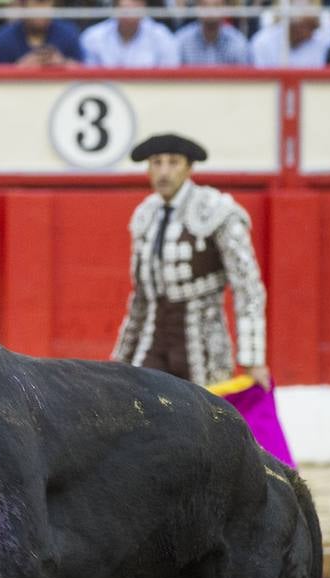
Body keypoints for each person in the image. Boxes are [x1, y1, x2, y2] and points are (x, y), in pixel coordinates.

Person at [112, 133, 269, 391]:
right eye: (156, 162)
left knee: (205, 423)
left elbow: (248, 287)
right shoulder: (145, 214)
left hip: (203, 345)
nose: (164, 171)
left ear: (188, 167)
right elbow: (141, 297)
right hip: (152, 341)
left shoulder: (216, 210)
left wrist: (253, 360)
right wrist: (121, 360)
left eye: (173, 162)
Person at [80, 0, 178, 68]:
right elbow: (88, 80)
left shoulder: (162, 36)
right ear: (115, 7)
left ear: (144, 5)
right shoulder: (92, 37)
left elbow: (171, 78)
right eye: (125, 6)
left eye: (135, 3)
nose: (130, 10)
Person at [0, 0, 82, 66]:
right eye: (37, 3)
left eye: (46, 3)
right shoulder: (5, 38)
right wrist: (19, 68)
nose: (41, 10)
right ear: (23, 7)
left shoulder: (68, 33)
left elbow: (83, 72)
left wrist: (63, 63)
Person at [249, 1, 330, 68]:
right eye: (310, 27)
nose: (313, 33)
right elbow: (262, 81)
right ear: (295, 26)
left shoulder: (319, 42)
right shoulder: (263, 42)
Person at [174, 0, 251, 67]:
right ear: (197, 8)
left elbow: (244, 81)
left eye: (216, 6)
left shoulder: (238, 43)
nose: (210, 11)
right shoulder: (181, 41)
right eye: (205, 5)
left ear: (225, 8)